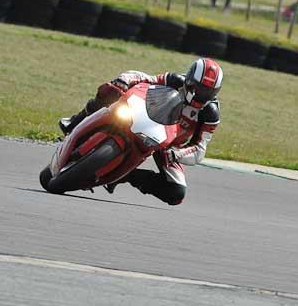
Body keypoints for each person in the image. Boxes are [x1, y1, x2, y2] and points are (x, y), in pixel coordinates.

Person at [58, 59, 223, 206]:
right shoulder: (174, 80)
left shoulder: (210, 113)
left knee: (176, 193)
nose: (200, 95)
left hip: (168, 146)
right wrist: (123, 81)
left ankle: (126, 175)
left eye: (207, 92)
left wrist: (176, 154)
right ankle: (75, 122)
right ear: (189, 79)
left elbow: (200, 148)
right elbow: (145, 79)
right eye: (198, 88)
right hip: (142, 115)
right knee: (111, 90)